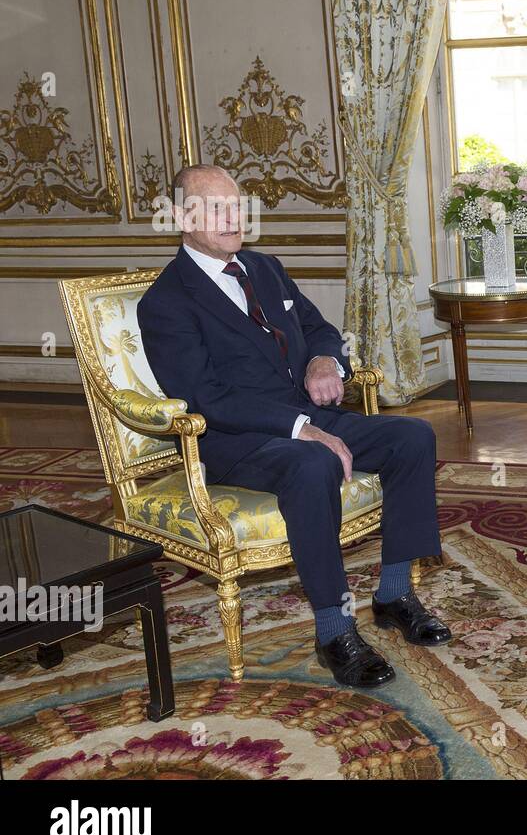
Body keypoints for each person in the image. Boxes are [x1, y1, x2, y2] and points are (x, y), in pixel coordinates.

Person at [138, 165, 451, 689]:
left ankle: (394, 594)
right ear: (178, 217)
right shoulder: (166, 302)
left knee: (412, 436)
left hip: (307, 415)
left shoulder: (264, 268)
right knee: (314, 461)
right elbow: (205, 398)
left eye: (236, 204)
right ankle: (334, 630)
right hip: (238, 442)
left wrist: (324, 362)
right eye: (213, 208)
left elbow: (317, 328)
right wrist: (300, 425)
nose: (231, 217)